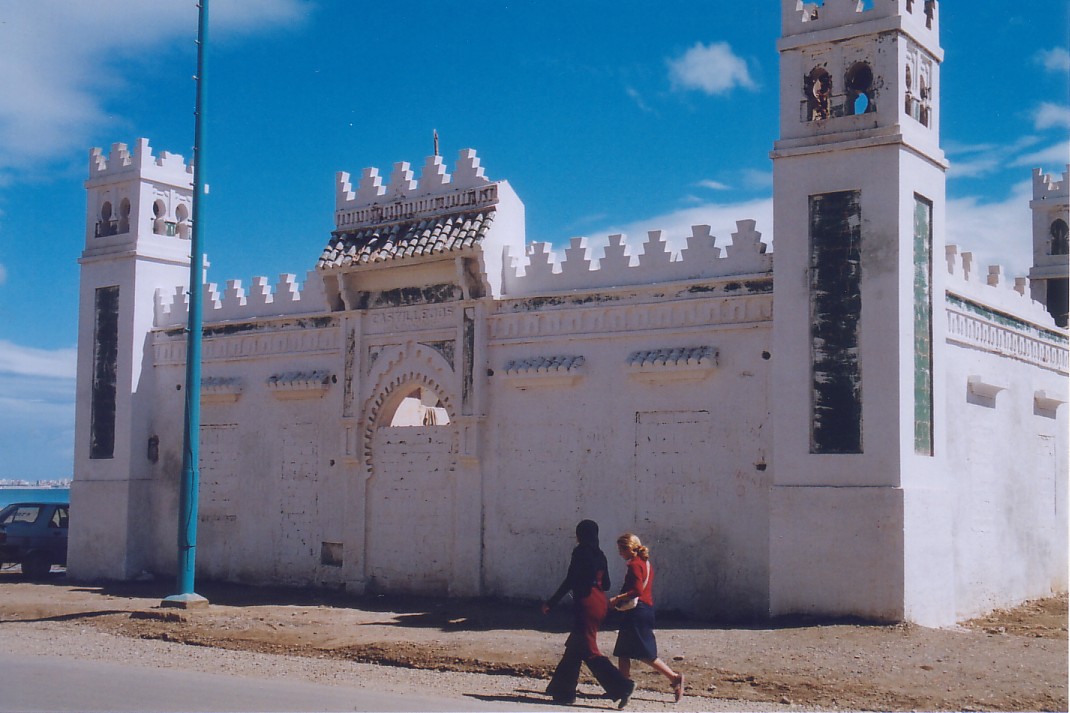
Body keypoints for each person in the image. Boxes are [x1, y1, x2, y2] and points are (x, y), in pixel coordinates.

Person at [541, 520, 636, 708]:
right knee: (576, 646)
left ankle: (622, 686)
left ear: (580, 535)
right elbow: (607, 584)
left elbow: (570, 579)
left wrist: (551, 603)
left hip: (585, 603)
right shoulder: (600, 555)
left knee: (589, 649)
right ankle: (562, 691)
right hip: (599, 602)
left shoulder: (580, 552)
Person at [609, 533, 685, 703]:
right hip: (644, 610)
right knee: (623, 651)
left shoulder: (634, 565)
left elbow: (637, 591)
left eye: (621, 549)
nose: (619, 553)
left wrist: (617, 599)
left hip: (637, 612)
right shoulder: (645, 563)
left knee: (644, 652)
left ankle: (674, 678)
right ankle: (623, 686)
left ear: (628, 548)